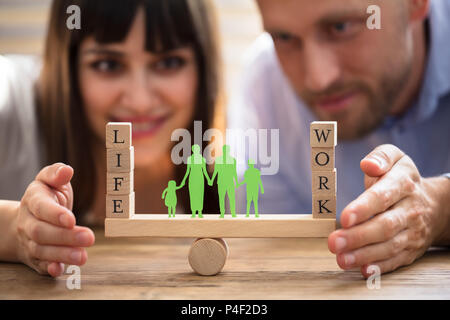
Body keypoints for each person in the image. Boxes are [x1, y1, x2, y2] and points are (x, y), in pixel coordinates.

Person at [228, 0, 450, 277]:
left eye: (341, 27)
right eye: (284, 37)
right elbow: (277, 261)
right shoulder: (265, 88)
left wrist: (441, 208)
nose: (318, 80)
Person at [0, 0, 221, 277]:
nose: (140, 101)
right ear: (67, 65)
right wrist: (10, 228)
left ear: (202, 67)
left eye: (169, 62)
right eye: (107, 64)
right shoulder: (11, 98)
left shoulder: (233, 174)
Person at [180, 144, 212, 218]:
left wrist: (208, 179)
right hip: (192, 178)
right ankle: (194, 212)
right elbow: (188, 171)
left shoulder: (202, 159)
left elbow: (204, 171)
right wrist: (184, 180)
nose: (196, 150)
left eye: (197, 149)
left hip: (200, 178)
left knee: (200, 195)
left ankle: (200, 211)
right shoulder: (190, 159)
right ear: (193, 150)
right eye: (195, 149)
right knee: (193, 195)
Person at [209, 145, 239, 218]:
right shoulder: (218, 160)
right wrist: (212, 180)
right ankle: (222, 213)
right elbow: (216, 171)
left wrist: (237, 182)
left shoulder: (232, 160)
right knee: (221, 198)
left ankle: (233, 212)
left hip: (229, 181)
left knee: (231, 197)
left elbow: (234, 172)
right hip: (221, 181)